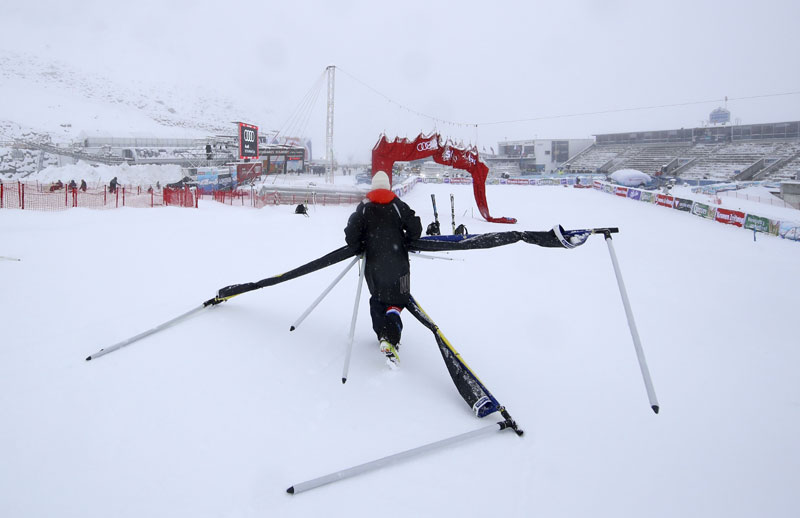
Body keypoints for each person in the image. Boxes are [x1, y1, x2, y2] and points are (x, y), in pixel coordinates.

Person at [344, 171, 422, 366]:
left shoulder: (364, 206)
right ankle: (390, 337)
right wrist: (408, 241)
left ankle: (382, 334)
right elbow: (415, 226)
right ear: (388, 186)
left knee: (378, 298)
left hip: (374, 264)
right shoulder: (397, 204)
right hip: (398, 262)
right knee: (399, 299)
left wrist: (359, 246)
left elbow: (351, 232)